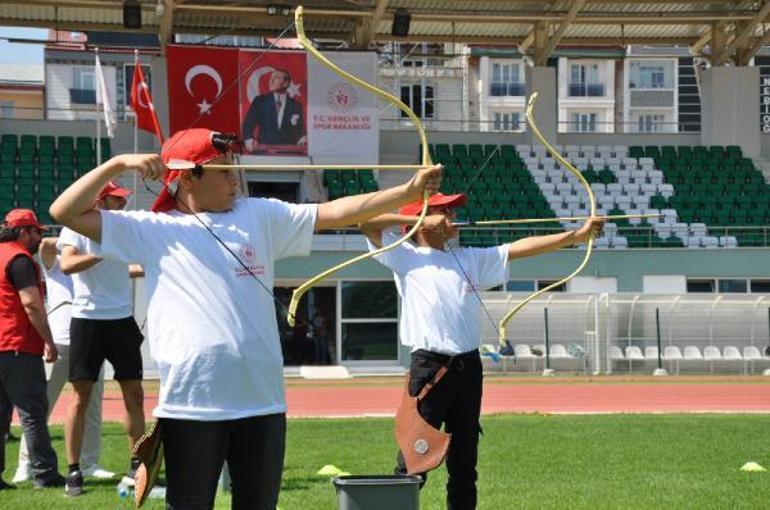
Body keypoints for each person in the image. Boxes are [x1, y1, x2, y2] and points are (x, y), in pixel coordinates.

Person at [49, 127, 441, 509]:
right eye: (223, 171)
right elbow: (63, 211)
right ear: (187, 177)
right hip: (191, 407)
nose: (235, 179)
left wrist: (406, 192)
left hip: (262, 404)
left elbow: (335, 211)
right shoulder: (153, 229)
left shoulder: (260, 215)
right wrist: (118, 163)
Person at [360, 193, 604, 510]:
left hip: (468, 368)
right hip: (431, 369)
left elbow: (520, 248)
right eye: (445, 210)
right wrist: (415, 221)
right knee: (412, 462)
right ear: (425, 218)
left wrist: (578, 235)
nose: (453, 216)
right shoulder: (405, 255)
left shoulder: (470, 258)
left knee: (464, 466)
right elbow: (366, 222)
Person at [58, 182, 145, 497]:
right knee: (80, 399)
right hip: (87, 321)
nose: (122, 204)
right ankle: (73, 471)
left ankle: (138, 465)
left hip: (121, 320)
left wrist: (144, 269)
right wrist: (102, 252)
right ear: (100, 199)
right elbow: (66, 264)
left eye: (123, 200)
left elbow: (127, 266)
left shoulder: (124, 227)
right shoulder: (77, 227)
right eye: (116, 199)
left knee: (134, 396)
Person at [13, 237, 114, 484]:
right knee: (39, 406)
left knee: (92, 405)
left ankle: (89, 462)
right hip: (60, 338)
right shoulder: (56, 262)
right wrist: (80, 239)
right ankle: (26, 463)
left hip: (91, 337)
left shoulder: (92, 263)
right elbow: (46, 244)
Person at [0, 209, 64, 490]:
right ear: (23, 231)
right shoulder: (20, 260)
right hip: (18, 345)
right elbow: (32, 305)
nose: (40, 236)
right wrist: (49, 341)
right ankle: (45, 473)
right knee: (33, 412)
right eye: (37, 231)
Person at [242, 69, 306, 152]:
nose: (271, 80)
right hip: (264, 153)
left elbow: (299, 129)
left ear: (286, 83)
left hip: (287, 154)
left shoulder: (296, 105)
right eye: (271, 77)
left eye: (276, 77)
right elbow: (248, 123)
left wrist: (301, 138)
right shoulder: (260, 101)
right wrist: (248, 139)